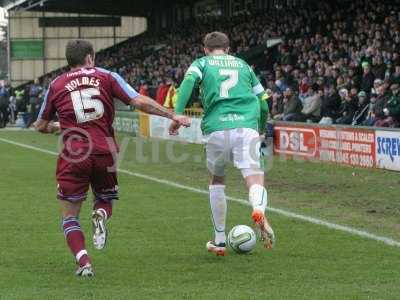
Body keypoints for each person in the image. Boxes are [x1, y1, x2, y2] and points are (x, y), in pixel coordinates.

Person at [34, 39, 190, 277]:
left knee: (69, 215)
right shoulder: (107, 76)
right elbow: (138, 100)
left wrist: (59, 125)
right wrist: (171, 115)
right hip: (105, 150)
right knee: (105, 199)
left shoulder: (56, 84)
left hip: (74, 154)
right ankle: (101, 215)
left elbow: (40, 126)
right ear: (89, 58)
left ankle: (84, 262)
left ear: (69, 61)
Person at [169, 32, 275, 256]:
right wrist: (260, 127)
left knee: (217, 180)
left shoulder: (201, 63)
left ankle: (219, 240)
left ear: (205, 49)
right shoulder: (244, 65)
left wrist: (178, 114)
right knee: (254, 176)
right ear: (227, 48)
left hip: (216, 128)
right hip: (246, 126)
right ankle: (258, 209)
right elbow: (264, 103)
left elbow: (187, 83)